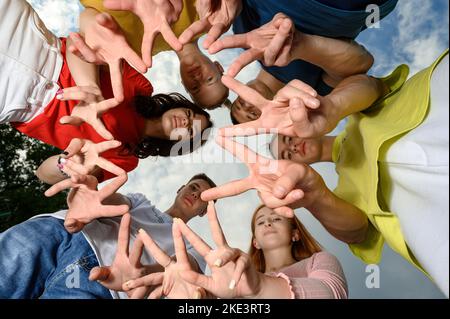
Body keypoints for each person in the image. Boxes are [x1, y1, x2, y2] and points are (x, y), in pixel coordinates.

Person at [202, 51, 450, 297]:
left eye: (288, 139)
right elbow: (359, 232)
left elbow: (369, 84)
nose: (291, 147)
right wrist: (315, 197)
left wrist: (331, 107)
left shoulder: (357, 112)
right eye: (286, 155)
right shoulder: (342, 192)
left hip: (433, 108)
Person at [0, 0, 212, 183]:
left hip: (14, 101)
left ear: (180, 143)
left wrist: (69, 164)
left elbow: (43, 174)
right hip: (32, 44)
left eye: (191, 130)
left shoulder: (126, 160)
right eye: (190, 114)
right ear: (181, 106)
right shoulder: (142, 87)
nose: (185, 122)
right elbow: (80, 44)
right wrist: (90, 88)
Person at [0, 172, 216, 299]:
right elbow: (117, 202)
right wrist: (96, 199)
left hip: (104, 280)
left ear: (203, 211)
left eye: (202, 196)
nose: (195, 194)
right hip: (64, 232)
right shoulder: (141, 201)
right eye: (193, 187)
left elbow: (178, 271)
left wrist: (142, 273)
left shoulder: (194, 245)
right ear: (180, 188)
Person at [218, 0, 398, 123]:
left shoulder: (244, 36)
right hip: (343, 8)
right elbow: (362, 61)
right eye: (252, 115)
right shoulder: (313, 93)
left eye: (240, 105)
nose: (248, 106)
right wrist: (302, 45)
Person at [127, 202, 348, 299]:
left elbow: (331, 293)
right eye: (261, 222)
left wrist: (260, 287)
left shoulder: (319, 261)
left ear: (295, 234)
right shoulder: (230, 280)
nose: (268, 223)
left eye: (276, 219)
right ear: (256, 243)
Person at [76, 0, 234, 109]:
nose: (198, 78)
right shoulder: (205, 14)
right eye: (209, 79)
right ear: (218, 67)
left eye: (195, 87)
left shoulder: (138, 51)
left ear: (184, 84)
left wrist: (89, 24)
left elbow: (89, 15)